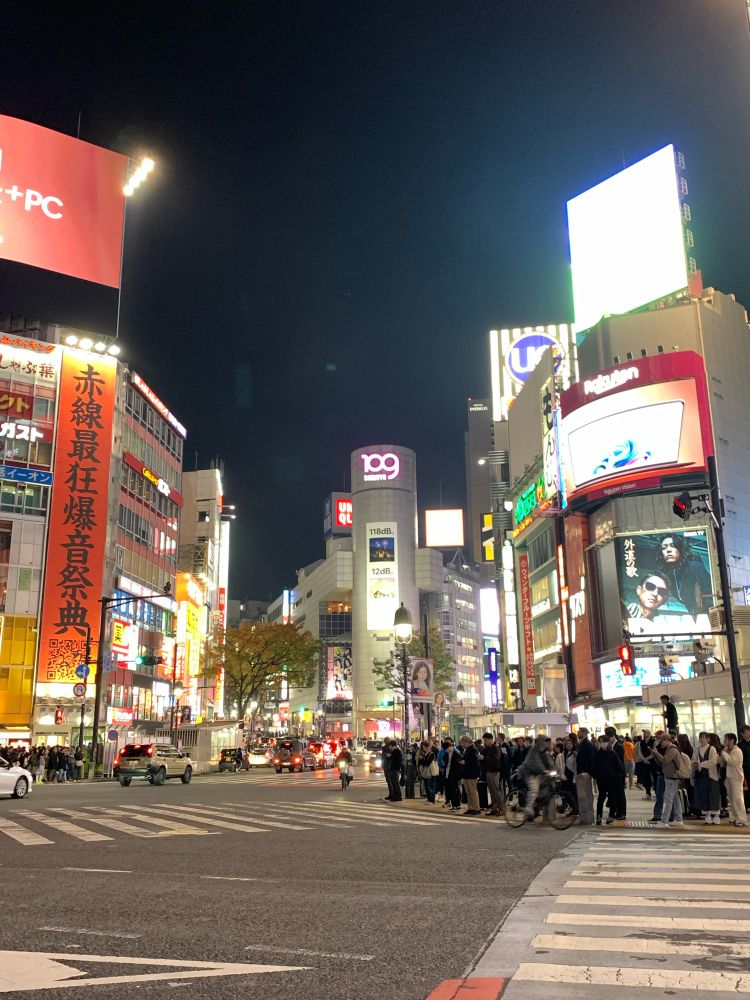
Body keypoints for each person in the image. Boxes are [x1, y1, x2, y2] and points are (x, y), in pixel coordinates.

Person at [655, 533, 713, 619]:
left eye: (673, 546)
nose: (668, 550)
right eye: (664, 548)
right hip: (695, 616)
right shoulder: (670, 575)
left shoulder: (694, 566)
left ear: (680, 548)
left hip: (708, 615)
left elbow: (711, 595)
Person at [517, 734, 555, 819]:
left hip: (538, 773)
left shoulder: (545, 751)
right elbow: (536, 761)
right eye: (545, 741)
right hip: (528, 772)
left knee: (547, 785)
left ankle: (538, 805)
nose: (546, 743)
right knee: (534, 788)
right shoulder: (534, 749)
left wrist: (557, 772)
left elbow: (550, 763)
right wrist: (544, 770)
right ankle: (529, 807)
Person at [651, 732, 683, 828]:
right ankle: (678, 818)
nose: (661, 743)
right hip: (671, 776)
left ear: (666, 740)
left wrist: (656, 753)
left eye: (662, 741)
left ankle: (664, 821)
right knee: (675, 799)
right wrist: (656, 755)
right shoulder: (669, 749)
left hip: (672, 777)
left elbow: (665, 760)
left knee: (668, 799)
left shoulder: (672, 750)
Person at [592, 735, 624, 825]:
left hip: (612, 780)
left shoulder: (613, 753)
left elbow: (619, 767)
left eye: (603, 742)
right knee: (601, 798)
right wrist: (596, 777)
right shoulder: (597, 754)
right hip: (601, 780)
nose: (602, 744)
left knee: (612, 798)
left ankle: (611, 815)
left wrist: (618, 778)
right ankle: (599, 817)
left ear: (607, 742)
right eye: (600, 742)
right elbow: (594, 767)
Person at [692, 731, 721, 824]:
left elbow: (713, 762)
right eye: (700, 737)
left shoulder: (712, 749)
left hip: (711, 776)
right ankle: (707, 815)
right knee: (703, 796)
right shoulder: (696, 749)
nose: (701, 739)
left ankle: (716, 815)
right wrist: (694, 764)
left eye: (703, 737)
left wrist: (701, 764)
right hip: (700, 777)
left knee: (713, 795)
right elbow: (692, 760)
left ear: (708, 739)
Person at [721, 733, 747, 827]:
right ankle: (735, 817)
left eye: (726, 739)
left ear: (732, 740)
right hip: (728, 777)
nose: (724, 741)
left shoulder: (737, 751)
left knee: (738, 798)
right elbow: (722, 762)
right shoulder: (726, 750)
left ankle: (742, 818)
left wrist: (724, 753)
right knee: (731, 798)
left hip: (736, 777)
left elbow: (732, 762)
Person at [575, 727, 595, 825]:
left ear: (584, 733)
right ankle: (583, 816)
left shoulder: (588, 745)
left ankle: (587, 817)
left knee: (586, 796)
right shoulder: (581, 744)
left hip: (585, 774)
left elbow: (590, 760)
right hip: (581, 773)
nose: (578, 733)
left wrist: (587, 772)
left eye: (579, 732)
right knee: (582, 797)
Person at [479, 732, 503, 816]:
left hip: (495, 771)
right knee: (492, 791)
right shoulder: (486, 749)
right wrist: (481, 759)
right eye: (484, 740)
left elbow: (496, 759)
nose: (485, 742)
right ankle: (494, 809)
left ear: (490, 739)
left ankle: (502, 809)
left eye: (486, 740)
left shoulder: (496, 748)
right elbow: (484, 761)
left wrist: (484, 758)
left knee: (496, 791)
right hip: (488, 771)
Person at [459, 735, 481, 815]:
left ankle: (476, 807)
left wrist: (465, 762)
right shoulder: (467, 749)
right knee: (468, 792)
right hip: (467, 773)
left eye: (463, 743)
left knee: (473, 792)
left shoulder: (473, 750)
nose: (462, 745)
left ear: (467, 742)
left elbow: (475, 762)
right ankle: (470, 807)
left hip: (472, 774)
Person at [443, 739, 463, 812]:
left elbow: (460, 763)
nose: (446, 751)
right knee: (450, 789)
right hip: (447, 774)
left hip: (454, 774)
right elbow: (444, 760)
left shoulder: (456, 753)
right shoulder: (446, 753)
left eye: (446, 749)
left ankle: (456, 805)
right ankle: (454, 805)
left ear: (450, 747)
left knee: (455, 790)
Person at [635, 730, 654, 798]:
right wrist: (644, 759)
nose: (644, 734)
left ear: (649, 733)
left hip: (652, 762)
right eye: (644, 733)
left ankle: (656, 793)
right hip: (644, 763)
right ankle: (648, 793)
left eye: (645, 732)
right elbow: (640, 752)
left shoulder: (653, 741)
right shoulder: (641, 743)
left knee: (654, 777)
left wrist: (648, 759)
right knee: (646, 778)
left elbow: (654, 752)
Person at [738, 726, 750, 811]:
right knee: (746, 788)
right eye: (747, 732)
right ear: (742, 734)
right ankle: (747, 805)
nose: (749, 733)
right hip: (745, 769)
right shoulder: (740, 745)